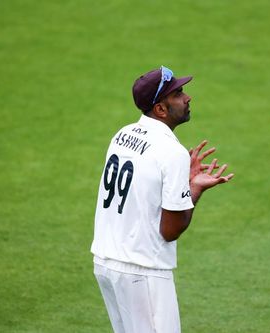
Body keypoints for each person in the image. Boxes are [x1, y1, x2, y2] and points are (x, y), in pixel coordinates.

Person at [90, 66, 234, 333]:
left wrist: (183, 183)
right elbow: (170, 230)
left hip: (106, 263)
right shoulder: (172, 151)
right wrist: (195, 189)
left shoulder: (122, 135)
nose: (188, 97)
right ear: (160, 109)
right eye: (178, 93)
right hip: (143, 272)